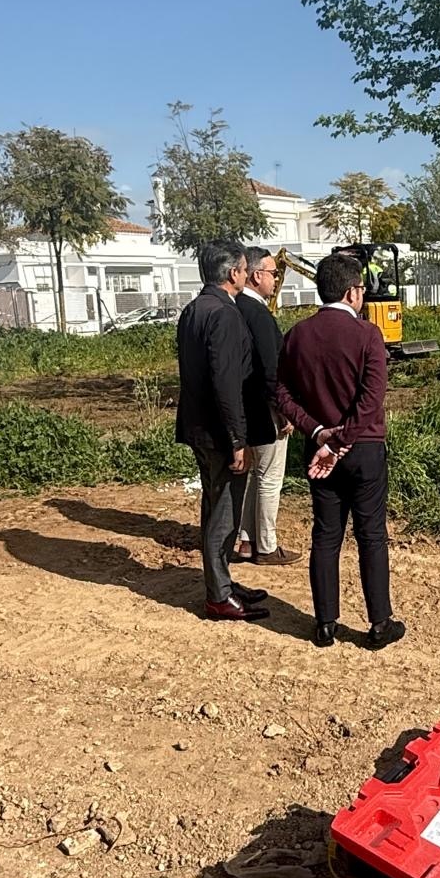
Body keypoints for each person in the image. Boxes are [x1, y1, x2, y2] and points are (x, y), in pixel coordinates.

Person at [275, 251, 404, 651]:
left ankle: (325, 623)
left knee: (326, 534)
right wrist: (342, 439)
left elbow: (281, 392)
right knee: (371, 535)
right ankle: (379, 623)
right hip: (363, 448)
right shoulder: (368, 335)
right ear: (352, 292)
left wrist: (318, 433)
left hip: (319, 450)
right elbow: (371, 398)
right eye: (362, 288)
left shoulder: (297, 335)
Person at [174, 241, 270, 622]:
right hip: (220, 433)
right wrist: (237, 440)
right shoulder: (226, 315)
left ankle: (222, 581)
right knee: (224, 513)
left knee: (214, 505)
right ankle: (219, 595)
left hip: (198, 428)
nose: (247, 276)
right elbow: (227, 384)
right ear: (233, 274)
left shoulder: (193, 310)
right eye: (245, 270)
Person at [232, 247, 300, 567]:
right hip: (264, 409)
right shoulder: (258, 314)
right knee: (270, 477)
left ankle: (247, 540)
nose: (276, 279)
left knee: (256, 476)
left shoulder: (235, 307)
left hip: (243, 407)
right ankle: (267, 546)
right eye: (274, 273)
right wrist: (283, 409)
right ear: (257, 275)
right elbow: (270, 368)